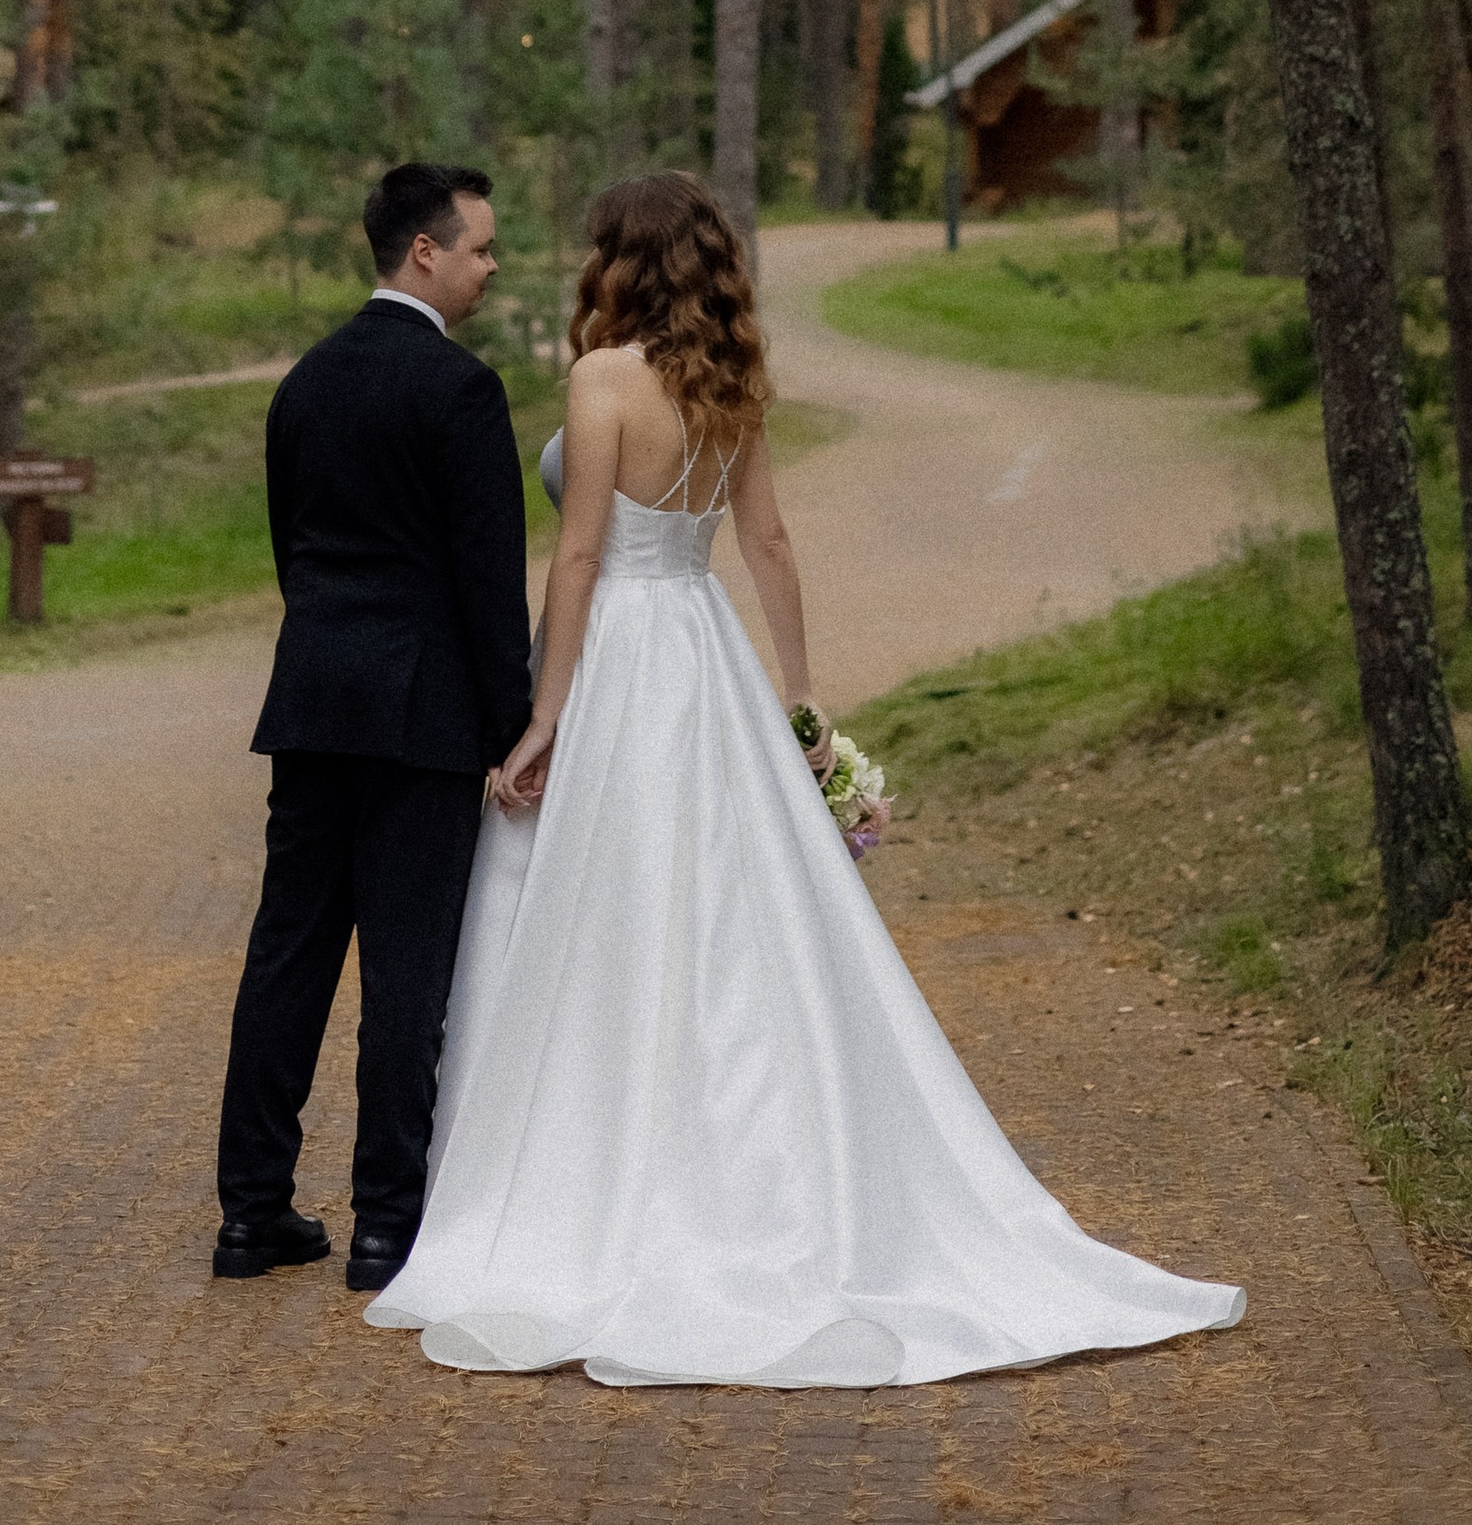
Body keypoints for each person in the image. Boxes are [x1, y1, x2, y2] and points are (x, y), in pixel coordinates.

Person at [365, 168, 1245, 1388]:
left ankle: (593, 1169)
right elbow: (767, 540)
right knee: (735, 914)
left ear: (622, 260)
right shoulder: (727, 384)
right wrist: (797, 695)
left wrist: (541, 716)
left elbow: (575, 561)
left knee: (604, 911)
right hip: (705, 650)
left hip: (622, 656)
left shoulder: (603, 380)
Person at [212, 159, 531, 1296]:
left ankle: (251, 1214)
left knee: (286, 958)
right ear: (426, 253)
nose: (495, 267)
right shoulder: (458, 392)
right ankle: (388, 1229)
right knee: (406, 976)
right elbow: (491, 587)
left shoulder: (304, 384)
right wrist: (516, 728)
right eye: (483, 248)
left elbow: (290, 556)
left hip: (310, 701)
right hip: (423, 717)